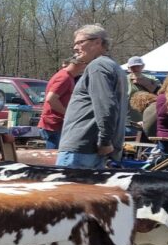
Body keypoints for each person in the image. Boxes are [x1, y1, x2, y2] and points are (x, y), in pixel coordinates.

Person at [55, 24, 127, 170]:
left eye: (80, 42)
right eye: (75, 43)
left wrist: (105, 141)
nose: (75, 47)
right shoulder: (113, 67)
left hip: (81, 150)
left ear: (98, 42)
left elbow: (107, 107)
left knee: (65, 192)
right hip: (88, 150)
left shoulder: (98, 66)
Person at [39, 56, 86, 150]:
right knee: (54, 158)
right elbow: (51, 99)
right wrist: (67, 114)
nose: (85, 67)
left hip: (57, 124)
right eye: (85, 64)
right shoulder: (64, 77)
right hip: (53, 124)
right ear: (78, 64)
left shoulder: (69, 77)